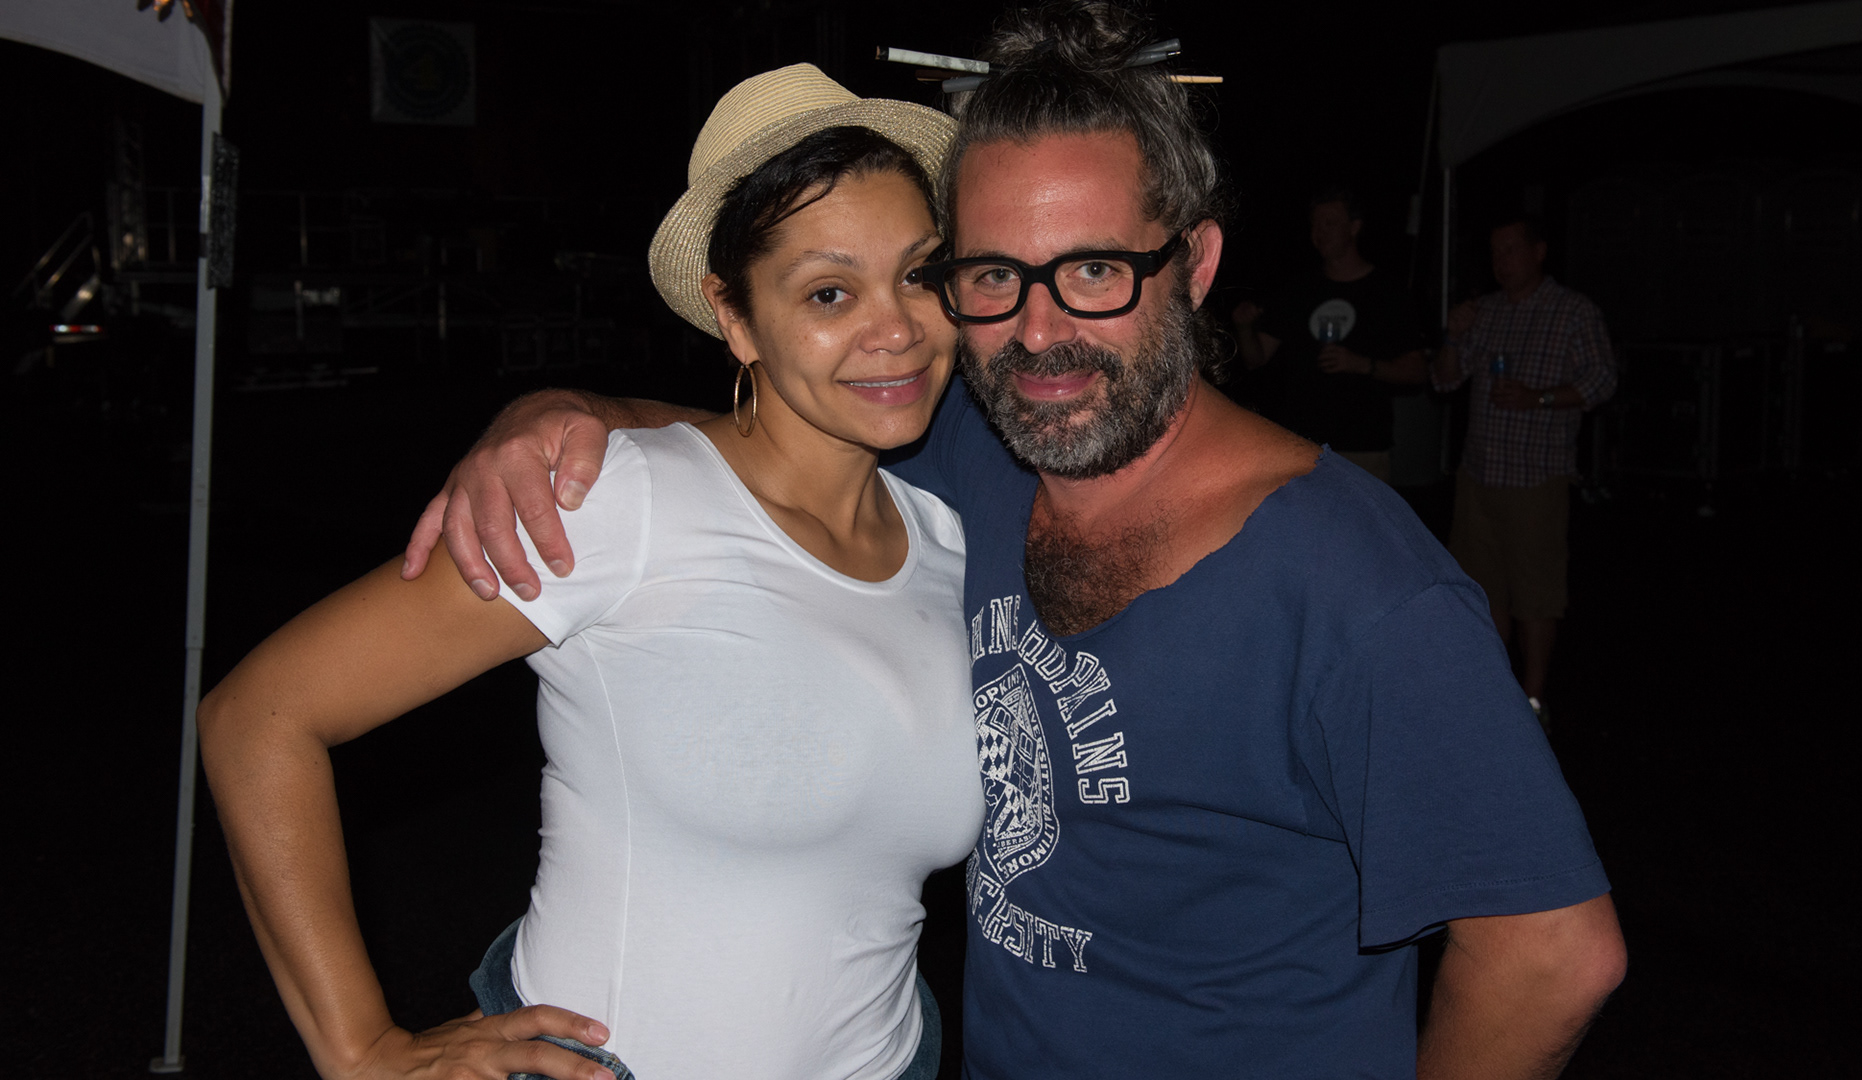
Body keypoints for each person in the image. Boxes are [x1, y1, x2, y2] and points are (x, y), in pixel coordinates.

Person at [406, 4, 1627, 1076]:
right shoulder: (980, 458)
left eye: (1094, 270)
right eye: (992, 276)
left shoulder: (1356, 588)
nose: (1040, 334)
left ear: (1195, 263)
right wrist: (562, 414)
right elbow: (778, 432)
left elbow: (1552, 953)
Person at [199, 64, 984, 1080]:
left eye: (919, 274)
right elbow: (260, 717)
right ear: (735, 318)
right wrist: (361, 1047)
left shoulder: (945, 544)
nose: (897, 328)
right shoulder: (625, 502)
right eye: (829, 292)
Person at [1432, 214, 1617, 717]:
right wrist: (1452, 337)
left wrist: (1539, 398)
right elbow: (1444, 381)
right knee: (1482, 590)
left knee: (1536, 595)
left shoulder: (1572, 311)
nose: (1501, 262)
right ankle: (1495, 696)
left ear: (1539, 252)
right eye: (1495, 252)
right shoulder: (1486, 311)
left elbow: (1603, 380)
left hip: (1535, 477)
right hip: (1478, 475)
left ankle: (1534, 701)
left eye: (1511, 250)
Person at [1231, 187, 1427, 482]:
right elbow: (1256, 358)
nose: (1319, 232)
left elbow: (1417, 372)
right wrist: (1244, 327)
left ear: (1354, 227)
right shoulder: (1299, 291)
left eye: (1329, 223)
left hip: (1363, 450)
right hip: (1302, 448)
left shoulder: (1387, 293)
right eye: (1315, 224)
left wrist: (1362, 364)